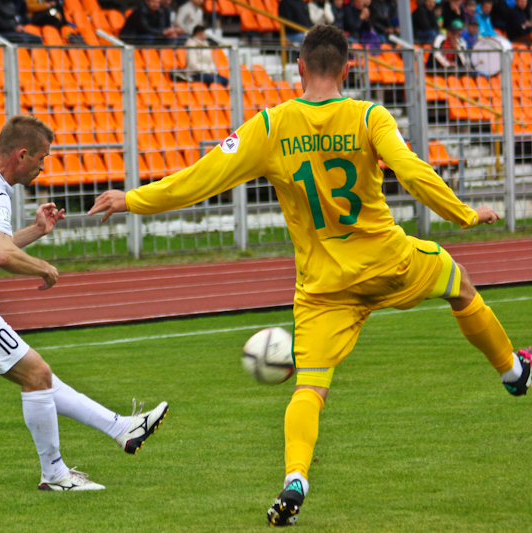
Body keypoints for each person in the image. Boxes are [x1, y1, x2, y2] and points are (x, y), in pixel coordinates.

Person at [88, 23, 531, 526]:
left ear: (299, 66)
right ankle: (512, 372)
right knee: (460, 285)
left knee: (310, 388)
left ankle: (296, 477)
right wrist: (463, 214)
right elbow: (410, 170)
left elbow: (201, 178)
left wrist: (133, 199)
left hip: (324, 288)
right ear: (348, 68)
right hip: (390, 262)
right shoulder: (369, 116)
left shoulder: (270, 126)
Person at [0, 115, 169, 491]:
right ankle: (55, 474)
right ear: (21, 155)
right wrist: (44, 268)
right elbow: (0, 254)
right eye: (41, 158)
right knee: (36, 374)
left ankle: (121, 428)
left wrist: (37, 230)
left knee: (39, 376)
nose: (43, 167)